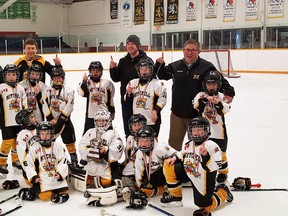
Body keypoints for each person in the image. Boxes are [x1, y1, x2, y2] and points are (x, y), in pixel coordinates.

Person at [155, 39, 235, 151]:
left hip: (196, 115)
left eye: (193, 50)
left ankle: (194, 167)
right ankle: (174, 168)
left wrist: (229, 92)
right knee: (173, 146)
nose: (189, 53)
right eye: (187, 50)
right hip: (177, 114)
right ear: (183, 51)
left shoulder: (206, 66)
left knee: (196, 148)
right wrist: (159, 64)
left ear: (199, 51)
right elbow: (162, 75)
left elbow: (219, 80)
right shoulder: (176, 66)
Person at [160, 117, 233, 216]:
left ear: (206, 130)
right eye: (194, 130)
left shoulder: (211, 145)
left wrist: (205, 156)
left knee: (205, 205)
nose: (196, 132)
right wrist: (175, 158)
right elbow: (183, 153)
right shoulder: (190, 144)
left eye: (199, 129)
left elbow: (215, 166)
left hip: (203, 178)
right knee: (168, 165)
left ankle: (223, 191)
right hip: (190, 172)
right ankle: (175, 197)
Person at [193, 70, 231, 183]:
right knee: (203, 151)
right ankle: (204, 170)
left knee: (221, 153)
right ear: (205, 84)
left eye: (214, 84)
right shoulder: (200, 95)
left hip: (219, 132)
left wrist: (218, 103)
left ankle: (223, 173)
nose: (211, 86)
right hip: (203, 132)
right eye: (209, 84)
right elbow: (196, 105)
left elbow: (226, 109)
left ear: (218, 84)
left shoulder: (221, 96)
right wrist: (205, 100)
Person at [20, 121, 70, 203]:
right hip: (42, 178)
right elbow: (28, 164)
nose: (45, 136)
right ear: (38, 135)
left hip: (55, 176)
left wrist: (60, 173)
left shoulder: (58, 146)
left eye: (47, 134)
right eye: (42, 134)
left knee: (64, 192)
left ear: (52, 134)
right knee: (45, 197)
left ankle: (56, 193)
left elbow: (64, 161)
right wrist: (33, 176)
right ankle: (35, 191)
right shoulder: (34, 147)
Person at [109, 34, 147, 138]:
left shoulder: (145, 60)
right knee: (128, 125)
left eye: (132, 44)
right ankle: (130, 147)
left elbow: (151, 78)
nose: (130, 46)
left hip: (141, 98)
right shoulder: (123, 61)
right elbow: (116, 78)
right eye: (128, 44)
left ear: (138, 45)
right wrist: (112, 68)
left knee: (141, 125)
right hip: (126, 98)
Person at [78, 109, 124, 189]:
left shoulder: (113, 133)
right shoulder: (90, 132)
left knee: (105, 183)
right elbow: (82, 145)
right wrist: (92, 151)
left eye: (104, 121)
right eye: (98, 121)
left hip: (105, 165)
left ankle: (102, 179)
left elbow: (118, 146)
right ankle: (94, 180)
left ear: (109, 121)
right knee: (85, 182)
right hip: (91, 163)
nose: (101, 123)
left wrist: (106, 149)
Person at [41, 67, 78, 165]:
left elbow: (69, 106)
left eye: (60, 77)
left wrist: (61, 120)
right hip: (51, 122)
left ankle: (73, 159)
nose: (58, 79)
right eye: (55, 77)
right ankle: (48, 159)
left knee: (69, 140)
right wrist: (50, 119)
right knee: (49, 141)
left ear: (63, 78)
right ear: (52, 78)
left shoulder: (69, 91)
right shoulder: (47, 90)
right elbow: (44, 105)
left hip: (65, 121)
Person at [125, 57, 167, 138]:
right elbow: (126, 102)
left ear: (151, 69)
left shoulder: (157, 84)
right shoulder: (132, 83)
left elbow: (162, 99)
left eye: (147, 68)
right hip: (137, 122)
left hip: (152, 121)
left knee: (152, 144)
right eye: (142, 69)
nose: (144, 71)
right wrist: (129, 93)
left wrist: (155, 111)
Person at [134, 125, 177, 197]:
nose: (144, 144)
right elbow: (138, 170)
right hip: (152, 176)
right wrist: (140, 186)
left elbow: (176, 155)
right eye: (142, 141)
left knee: (169, 164)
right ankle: (157, 189)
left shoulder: (160, 148)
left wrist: (171, 160)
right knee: (145, 184)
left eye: (147, 141)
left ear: (152, 140)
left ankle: (169, 185)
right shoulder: (139, 153)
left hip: (164, 173)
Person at [0, 64, 27, 175]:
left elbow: (24, 102)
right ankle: (2, 162)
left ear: (17, 76)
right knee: (7, 142)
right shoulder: (1, 87)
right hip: (6, 120)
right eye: (9, 75)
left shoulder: (20, 88)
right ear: (4, 76)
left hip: (19, 121)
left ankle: (15, 161)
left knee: (17, 142)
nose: (11, 77)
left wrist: (26, 115)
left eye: (13, 75)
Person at [77, 61, 115, 135]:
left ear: (101, 72)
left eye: (97, 71)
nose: (95, 73)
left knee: (109, 136)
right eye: (93, 71)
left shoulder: (107, 83)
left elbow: (111, 99)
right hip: (91, 115)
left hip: (105, 115)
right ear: (90, 72)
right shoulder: (87, 83)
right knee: (88, 137)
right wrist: (84, 82)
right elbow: (82, 94)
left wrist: (112, 111)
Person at [121, 113, 147, 187]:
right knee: (124, 179)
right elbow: (127, 155)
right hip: (132, 164)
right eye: (134, 125)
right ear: (131, 126)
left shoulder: (148, 137)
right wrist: (124, 165)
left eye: (139, 125)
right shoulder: (130, 138)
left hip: (144, 164)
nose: (137, 127)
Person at [15, 109, 39, 185]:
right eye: (31, 117)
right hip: (32, 164)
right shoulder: (22, 135)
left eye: (33, 116)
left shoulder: (40, 128)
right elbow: (22, 155)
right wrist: (30, 173)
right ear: (25, 121)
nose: (34, 117)